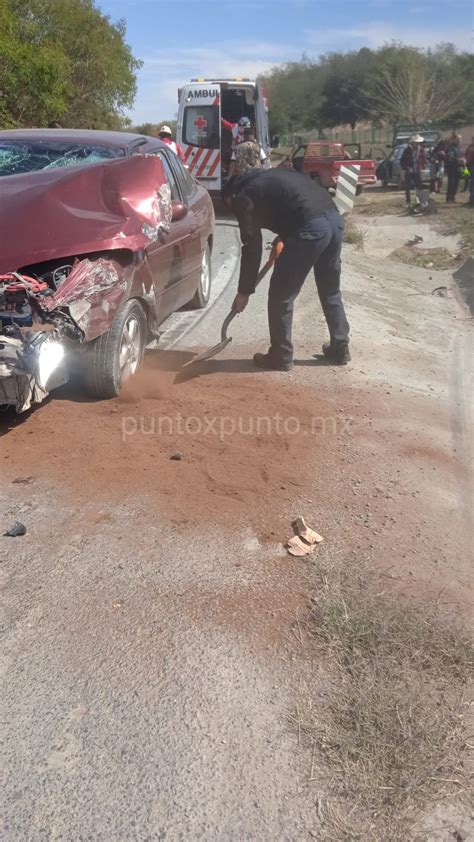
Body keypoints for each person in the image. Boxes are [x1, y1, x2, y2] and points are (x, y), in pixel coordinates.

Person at [222, 168, 350, 370]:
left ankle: (280, 355)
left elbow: (252, 246)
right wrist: (285, 235)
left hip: (311, 229)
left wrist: (244, 291)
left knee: (281, 295)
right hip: (334, 222)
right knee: (330, 289)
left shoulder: (243, 196)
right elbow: (292, 204)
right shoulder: (273, 177)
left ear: (230, 195)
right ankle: (340, 346)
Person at [400, 135, 425, 207]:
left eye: (419, 142)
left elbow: (422, 159)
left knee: (419, 186)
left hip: (417, 170)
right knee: (407, 186)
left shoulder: (421, 149)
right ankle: (408, 201)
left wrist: (422, 167)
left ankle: (420, 201)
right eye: (416, 142)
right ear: (413, 142)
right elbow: (402, 160)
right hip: (409, 170)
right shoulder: (407, 150)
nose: (418, 144)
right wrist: (405, 168)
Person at [445, 132, 463, 203]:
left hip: (458, 168)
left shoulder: (459, 147)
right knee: (451, 183)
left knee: (456, 183)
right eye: (458, 139)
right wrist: (457, 160)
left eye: (460, 139)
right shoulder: (450, 147)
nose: (460, 140)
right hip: (451, 168)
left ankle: (453, 196)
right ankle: (449, 198)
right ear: (454, 139)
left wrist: (463, 160)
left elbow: (462, 155)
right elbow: (450, 157)